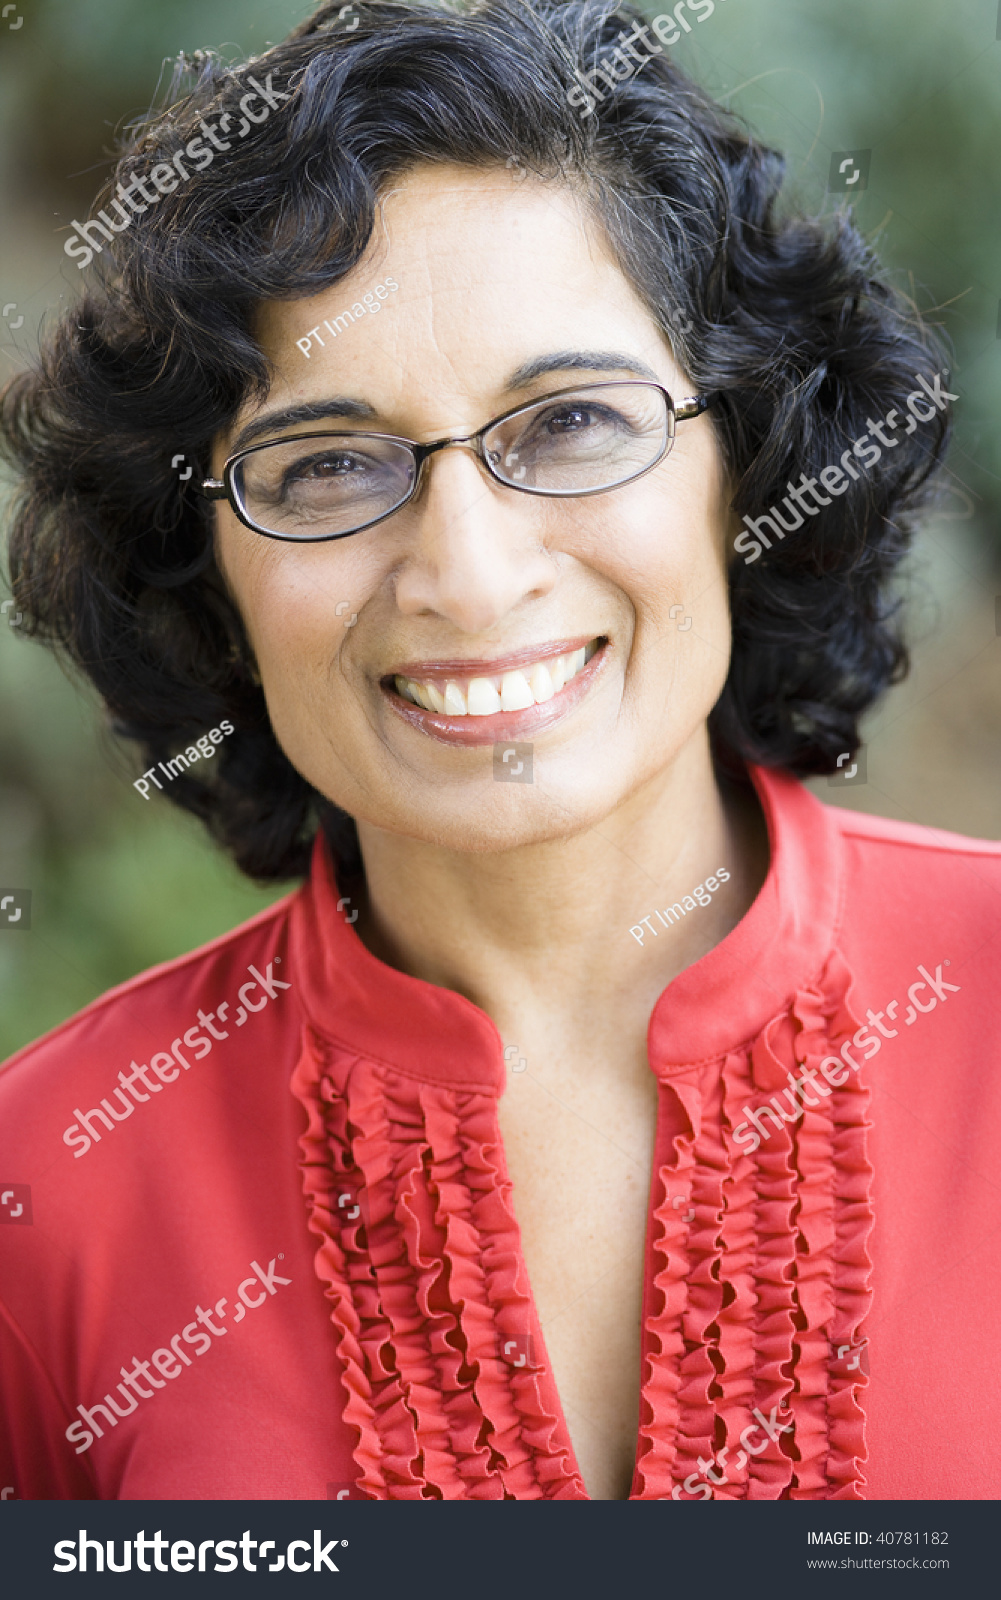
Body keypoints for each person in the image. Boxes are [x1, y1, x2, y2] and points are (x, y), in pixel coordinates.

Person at [1, 0, 997, 1503]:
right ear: (200, 563)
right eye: (330, 463)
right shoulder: (50, 1185)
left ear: (749, 466)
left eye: (573, 422)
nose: (465, 574)